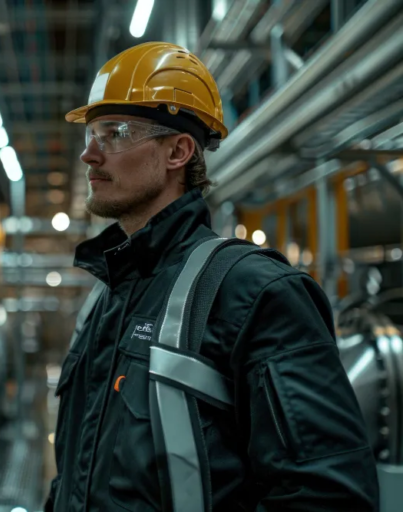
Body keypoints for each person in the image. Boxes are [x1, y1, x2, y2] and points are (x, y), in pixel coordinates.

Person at [45, 42, 379, 512]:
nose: (89, 155)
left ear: (178, 151)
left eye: (114, 132)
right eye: (91, 134)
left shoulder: (253, 292)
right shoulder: (110, 296)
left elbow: (326, 497)